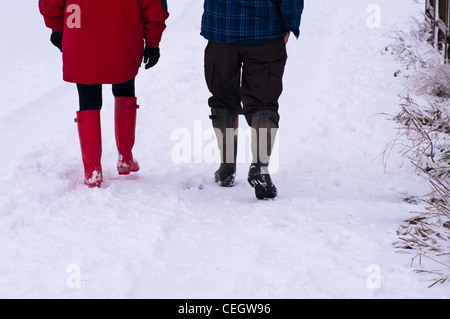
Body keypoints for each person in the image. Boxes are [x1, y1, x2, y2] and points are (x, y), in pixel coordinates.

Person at [39, 0, 169, 187]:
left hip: (80, 32)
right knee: (125, 86)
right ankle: (125, 157)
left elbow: (50, 3)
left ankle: (92, 170)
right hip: (123, 33)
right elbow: (155, 6)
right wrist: (153, 43)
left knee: (88, 98)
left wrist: (57, 29)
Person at [201, 0, 304, 199]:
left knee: (222, 99)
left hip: (221, 29)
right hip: (266, 31)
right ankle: (259, 166)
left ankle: (226, 169)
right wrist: (290, 25)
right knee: (263, 102)